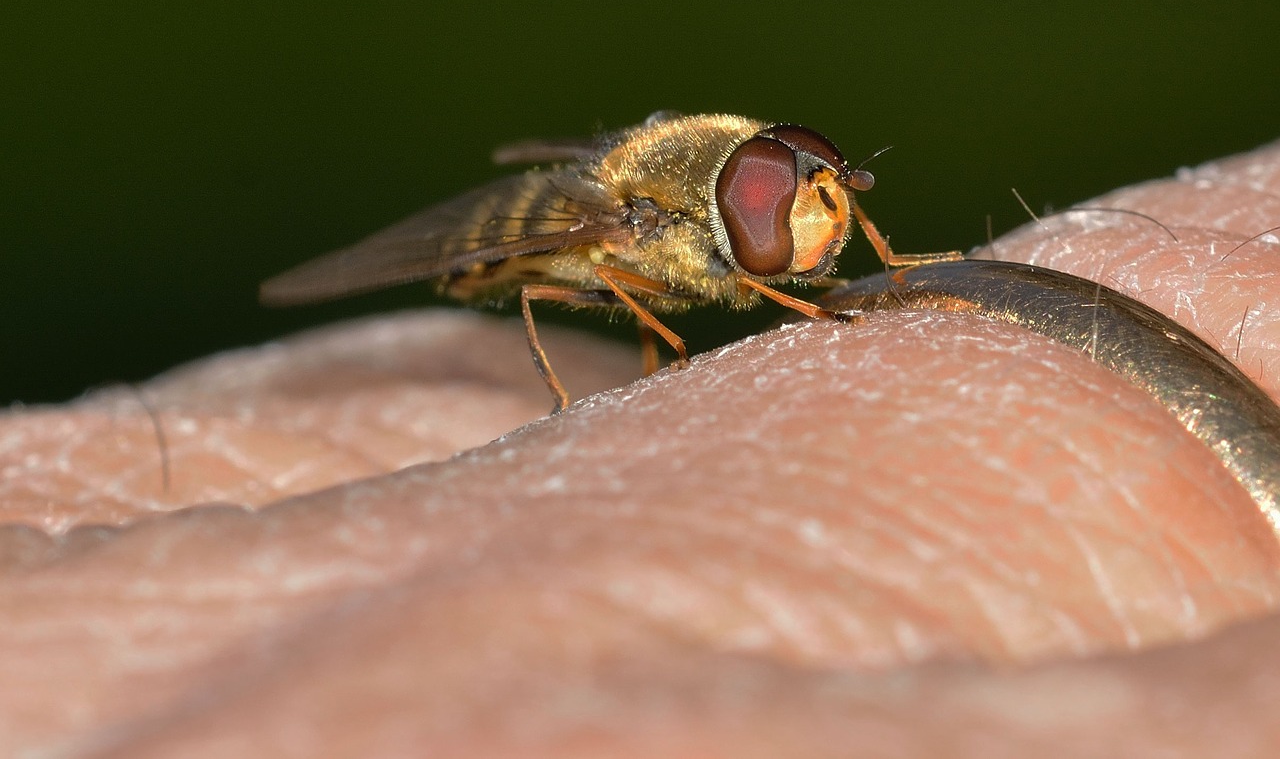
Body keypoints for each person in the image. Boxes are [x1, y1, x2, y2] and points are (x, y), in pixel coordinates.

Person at [4, 140, 1280, 756]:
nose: (820, 214)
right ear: (723, 208)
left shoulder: (740, 186)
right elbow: (614, 249)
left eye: (819, 193)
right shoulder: (637, 225)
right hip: (580, 235)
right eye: (797, 203)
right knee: (524, 283)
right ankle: (580, 401)